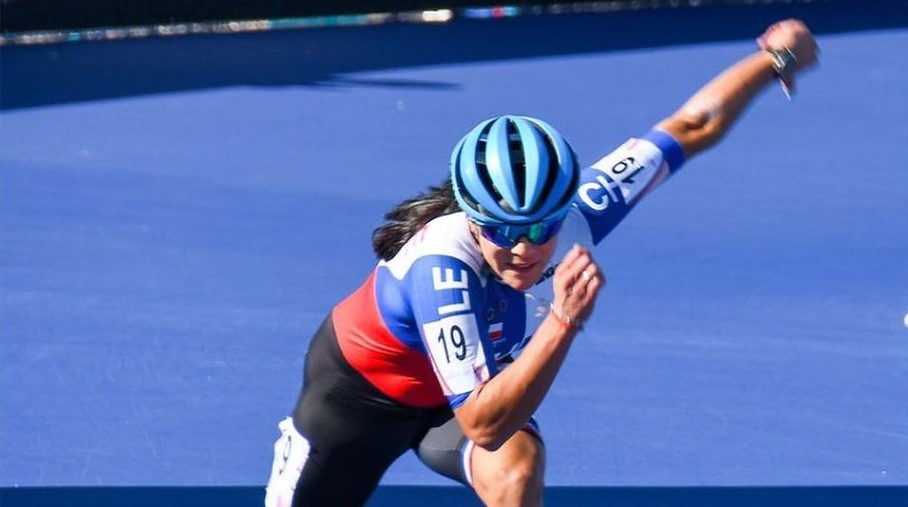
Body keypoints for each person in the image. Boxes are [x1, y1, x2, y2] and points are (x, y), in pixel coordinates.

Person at [264, 18, 819, 507]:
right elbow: (482, 424)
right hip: (359, 400)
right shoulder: (442, 265)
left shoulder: (584, 210)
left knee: (517, 471)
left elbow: (691, 126)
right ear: (471, 218)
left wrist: (775, 59)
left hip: (461, 398)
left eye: (540, 227)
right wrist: (563, 321)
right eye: (501, 231)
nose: (523, 248)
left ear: (564, 208)